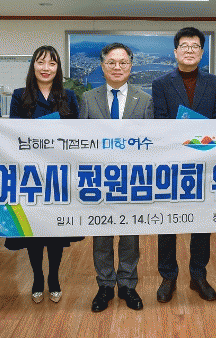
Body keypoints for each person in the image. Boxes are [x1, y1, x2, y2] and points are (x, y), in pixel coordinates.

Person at [151, 27, 216, 303]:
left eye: (195, 46)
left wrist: (196, 138)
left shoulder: (215, 83)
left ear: (201, 52)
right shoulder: (161, 83)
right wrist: (188, 137)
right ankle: (168, 277)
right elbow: (159, 121)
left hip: (204, 163)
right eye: (184, 46)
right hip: (171, 163)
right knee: (167, 223)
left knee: (202, 221)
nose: (189, 50)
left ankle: (198, 275)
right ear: (175, 52)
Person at [79, 42, 153, 312]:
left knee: (130, 235)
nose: (117, 67)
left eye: (123, 62)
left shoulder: (144, 100)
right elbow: (80, 143)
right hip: (99, 179)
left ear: (131, 66)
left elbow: (150, 143)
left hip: (132, 180)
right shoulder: (88, 99)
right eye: (111, 62)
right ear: (102, 67)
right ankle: (105, 285)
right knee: (102, 235)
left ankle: (128, 284)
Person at [7, 45, 83, 304]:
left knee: (55, 230)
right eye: (41, 62)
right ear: (33, 65)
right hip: (30, 174)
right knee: (34, 230)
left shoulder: (69, 96)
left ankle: (53, 277)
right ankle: (37, 277)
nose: (46, 68)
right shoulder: (19, 96)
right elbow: (12, 135)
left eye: (52, 63)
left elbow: (77, 135)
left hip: (59, 173)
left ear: (58, 68)